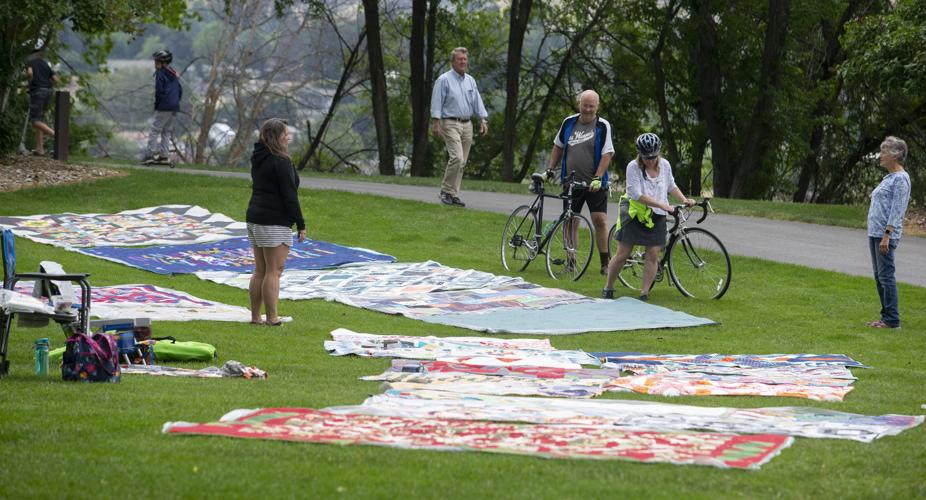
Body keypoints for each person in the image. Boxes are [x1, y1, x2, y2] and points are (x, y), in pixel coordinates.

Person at [602, 133, 694, 301]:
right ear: (640, 154)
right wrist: (663, 205)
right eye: (646, 157)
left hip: (657, 215)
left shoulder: (665, 165)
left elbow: (671, 185)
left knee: (652, 253)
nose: (650, 160)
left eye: (653, 157)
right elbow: (636, 194)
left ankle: (644, 293)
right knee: (623, 253)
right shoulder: (633, 167)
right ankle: (609, 286)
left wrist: (684, 200)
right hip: (635, 212)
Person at [546, 90, 615, 275]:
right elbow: (558, 146)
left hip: (594, 183)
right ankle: (571, 262)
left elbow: (607, 153)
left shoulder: (602, 125)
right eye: (585, 105)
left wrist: (598, 177)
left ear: (597, 106)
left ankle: (605, 263)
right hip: (571, 182)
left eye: (592, 106)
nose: (588, 109)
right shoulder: (569, 122)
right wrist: (550, 170)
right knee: (570, 221)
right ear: (579, 104)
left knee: (600, 220)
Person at [246, 118, 306, 326]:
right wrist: (300, 223)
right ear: (276, 137)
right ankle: (272, 318)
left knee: (260, 270)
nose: (288, 137)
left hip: (254, 218)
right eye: (285, 134)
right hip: (273, 221)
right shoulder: (281, 161)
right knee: (274, 270)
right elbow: (290, 195)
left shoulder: (259, 156)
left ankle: (256, 316)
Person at [430, 47, 489, 207]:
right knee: (457, 157)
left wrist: (483, 119)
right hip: (450, 122)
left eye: (464, 59)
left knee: (462, 162)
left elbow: (477, 101)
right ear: (453, 62)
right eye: (459, 59)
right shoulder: (444, 79)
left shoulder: (470, 80)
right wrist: (435, 123)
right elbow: (436, 101)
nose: (463, 62)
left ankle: (453, 194)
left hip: (467, 124)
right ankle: (445, 191)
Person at [865, 136, 911, 329]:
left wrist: (887, 235)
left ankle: (892, 319)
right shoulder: (889, 178)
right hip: (875, 233)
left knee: (886, 276)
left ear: (896, 154)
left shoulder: (901, 179)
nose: (881, 156)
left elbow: (897, 209)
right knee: (879, 276)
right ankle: (885, 317)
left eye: (884, 152)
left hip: (884, 235)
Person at [143, 50, 182, 163]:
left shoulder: (160, 73)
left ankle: (149, 155)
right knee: (166, 131)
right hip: (175, 107)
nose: (155, 63)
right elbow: (180, 90)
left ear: (162, 62)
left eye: (156, 61)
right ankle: (164, 156)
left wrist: (157, 105)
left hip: (164, 106)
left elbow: (159, 91)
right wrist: (175, 102)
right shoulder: (173, 73)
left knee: (155, 130)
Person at [26, 48, 58, 156]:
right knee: (40, 119)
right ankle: (40, 149)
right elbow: (56, 80)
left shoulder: (31, 62)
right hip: (48, 92)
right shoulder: (45, 64)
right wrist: (46, 85)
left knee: (35, 120)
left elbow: (30, 73)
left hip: (37, 92)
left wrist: (30, 83)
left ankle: (57, 136)